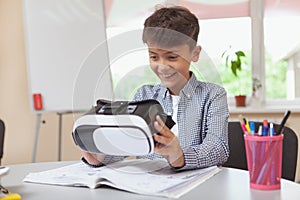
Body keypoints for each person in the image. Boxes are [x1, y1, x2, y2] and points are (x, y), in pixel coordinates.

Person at [82, 6, 229, 170]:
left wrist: (179, 156)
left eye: (172, 57)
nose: (162, 66)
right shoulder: (144, 94)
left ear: (194, 53)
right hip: (150, 187)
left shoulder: (213, 95)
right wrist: (100, 156)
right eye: (154, 57)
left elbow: (218, 148)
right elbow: (129, 142)